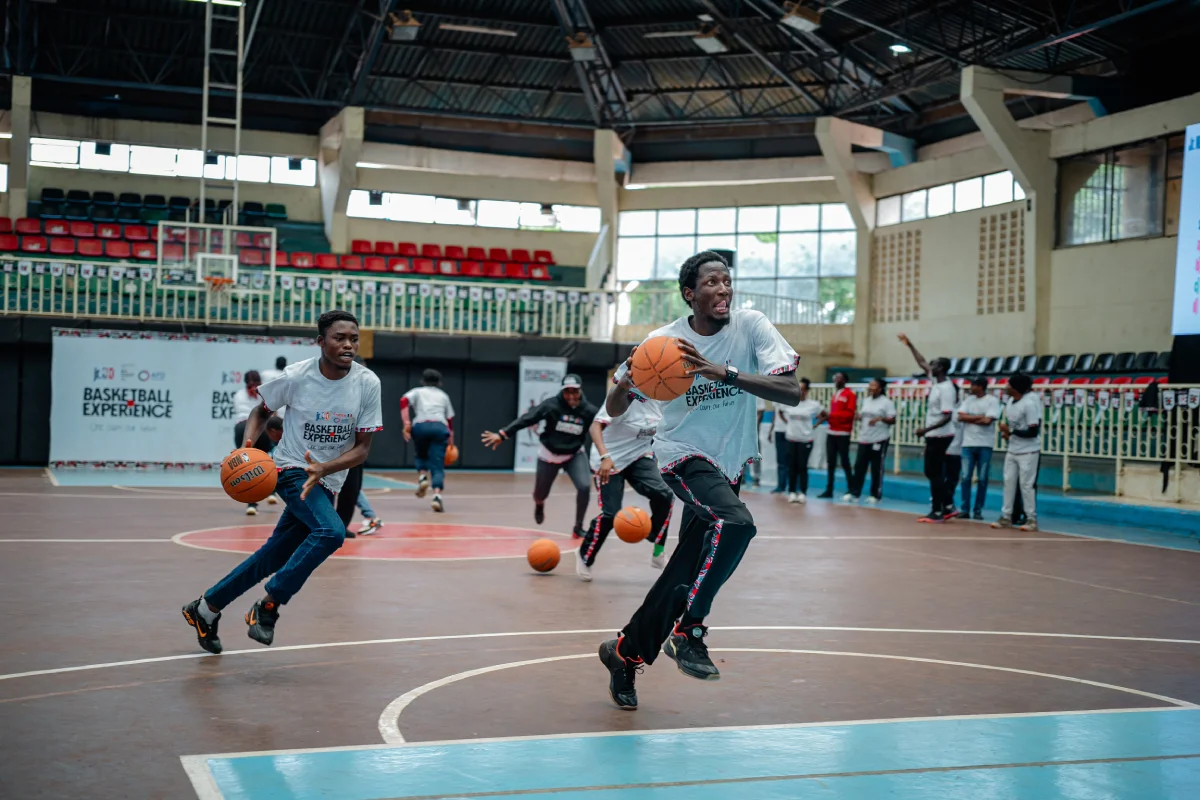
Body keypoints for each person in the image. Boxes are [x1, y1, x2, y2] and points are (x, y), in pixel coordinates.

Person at [597, 250, 800, 710]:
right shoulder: (662, 343)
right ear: (691, 294)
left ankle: (625, 654)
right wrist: (627, 381)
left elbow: (791, 391)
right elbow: (613, 410)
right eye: (711, 283)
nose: (723, 289)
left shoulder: (750, 326)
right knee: (736, 524)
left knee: (685, 568)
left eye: (727, 281)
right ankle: (690, 629)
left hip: (729, 464)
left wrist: (721, 371)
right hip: (681, 457)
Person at [182, 310, 382, 653]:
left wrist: (324, 468)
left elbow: (362, 450)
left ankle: (205, 608)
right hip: (290, 470)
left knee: (273, 556)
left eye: (353, 338)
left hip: (326, 479)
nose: (348, 344)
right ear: (321, 342)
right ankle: (269, 606)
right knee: (332, 533)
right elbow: (261, 410)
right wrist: (247, 447)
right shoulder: (297, 377)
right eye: (339, 338)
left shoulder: (367, 384)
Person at [482, 374, 599, 537]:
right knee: (540, 493)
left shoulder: (589, 411)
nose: (571, 396)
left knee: (585, 487)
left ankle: (578, 527)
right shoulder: (551, 405)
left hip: (574, 454)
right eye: (567, 392)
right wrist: (503, 434)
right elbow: (528, 418)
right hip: (550, 454)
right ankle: (539, 503)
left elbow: (602, 430)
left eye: (575, 392)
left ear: (580, 391)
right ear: (562, 392)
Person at [576, 397, 675, 581]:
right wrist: (605, 456)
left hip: (639, 457)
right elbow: (594, 427)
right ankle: (585, 556)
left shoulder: (660, 399)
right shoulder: (623, 397)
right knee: (610, 514)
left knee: (665, 495)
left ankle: (657, 551)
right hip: (609, 461)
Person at [898, 334, 958, 523]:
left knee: (933, 472)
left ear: (941, 368)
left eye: (935, 363)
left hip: (940, 434)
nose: (930, 365)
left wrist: (925, 430)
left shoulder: (947, 389)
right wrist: (910, 345)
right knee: (933, 472)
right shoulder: (936, 380)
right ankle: (948, 506)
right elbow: (922, 362)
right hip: (934, 434)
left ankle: (938, 510)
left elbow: (947, 416)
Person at [402, 369, 455, 513]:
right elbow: (449, 419)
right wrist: (451, 438)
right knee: (438, 465)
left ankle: (423, 477)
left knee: (421, 455)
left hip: (421, 426)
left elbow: (404, 401)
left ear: (422, 381)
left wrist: (406, 423)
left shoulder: (417, 392)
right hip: (440, 427)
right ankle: (437, 496)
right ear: (439, 382)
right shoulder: (443, 396)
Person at [993, 373, 1041, 532]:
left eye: (1009, 385)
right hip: (1013, 449)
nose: (1006, 387)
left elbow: (1033, 431)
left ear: (1016, 388)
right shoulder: (1010, 403)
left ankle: (1031, 518)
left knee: (1026, 485)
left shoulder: (1029, 404)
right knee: (1009, 482)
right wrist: (1007, 434)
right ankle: (1006, 516)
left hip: (1028, 451)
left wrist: (1011, 431)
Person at [232, 370, 277, 516]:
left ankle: (251, 504)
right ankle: (272, 492)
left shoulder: (239, 395)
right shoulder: (264, 392)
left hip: (241, 429)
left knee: (247, 466)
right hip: (259, 429)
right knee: (267, 460)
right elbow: (268, 413)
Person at [957, 377, 1002, 520]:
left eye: (973, 385)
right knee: (965, 477)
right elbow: (960, 417)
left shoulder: (992, 401)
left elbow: (988, 421)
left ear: (981, 387)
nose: (971, 388)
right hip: (968, 443)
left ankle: (978, 510)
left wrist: (970, 418)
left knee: (982, 479)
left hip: (985, 444)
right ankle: (965, 509)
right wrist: (979, 417)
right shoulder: (968, 400)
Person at [776, 378, 825, 504]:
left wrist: (815, 425)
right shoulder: (789, 402)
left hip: (806, 440)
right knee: (792, 467)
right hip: (792, 439)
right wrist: (787, 423)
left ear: (807, 391)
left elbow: (825, 415)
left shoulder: (813, 405)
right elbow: (780, 412)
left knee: (802, 467)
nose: (800, 391)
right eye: (799, 389)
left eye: (803, 389)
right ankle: (792, 492)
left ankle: (802, 492)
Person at [849, 378, 897, 503]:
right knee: (859, 466)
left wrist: (881, 418)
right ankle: (855, 493)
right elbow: (864, 416)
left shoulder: (887, 403)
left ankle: (875, 494)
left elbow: (893, 420)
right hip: (864, 438)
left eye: (873, 385)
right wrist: (859, 417)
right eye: (869, 385)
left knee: (876, 467)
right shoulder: (866, 401)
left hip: (879, 439)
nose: (870, 388)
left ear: (880, 388)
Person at [817, 372, 855, 500]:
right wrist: (826, 417)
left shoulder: (850, 394)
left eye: (839, 378)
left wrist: (831, 416)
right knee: (831, 462)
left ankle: (851, 488)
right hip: (832, 432)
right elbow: (835, 413)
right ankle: (829, 489)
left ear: (844, 380)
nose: (836, 380)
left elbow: (849, 415)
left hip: (843, 433)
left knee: (845, 462)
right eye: (835, 378)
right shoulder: (835, 395)